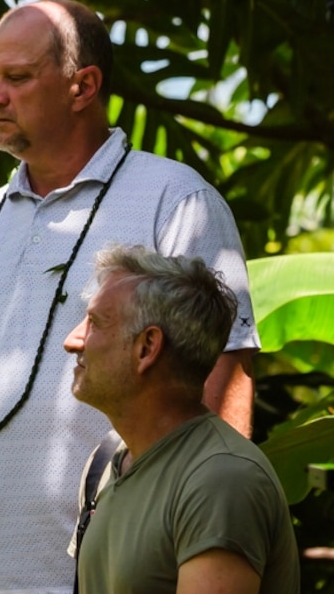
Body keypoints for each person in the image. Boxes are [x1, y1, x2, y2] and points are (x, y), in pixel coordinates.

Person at [0, 0, 260, 592]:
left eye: (18, 78)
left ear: (83, 86)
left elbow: (221, 385)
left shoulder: (175, 201)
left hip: (134, 575)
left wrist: (197, 554)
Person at [66, 245, 298, 593]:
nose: (73, 341)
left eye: (95, 323)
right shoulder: (105, 463)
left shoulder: (220, 480)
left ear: (147, 348)